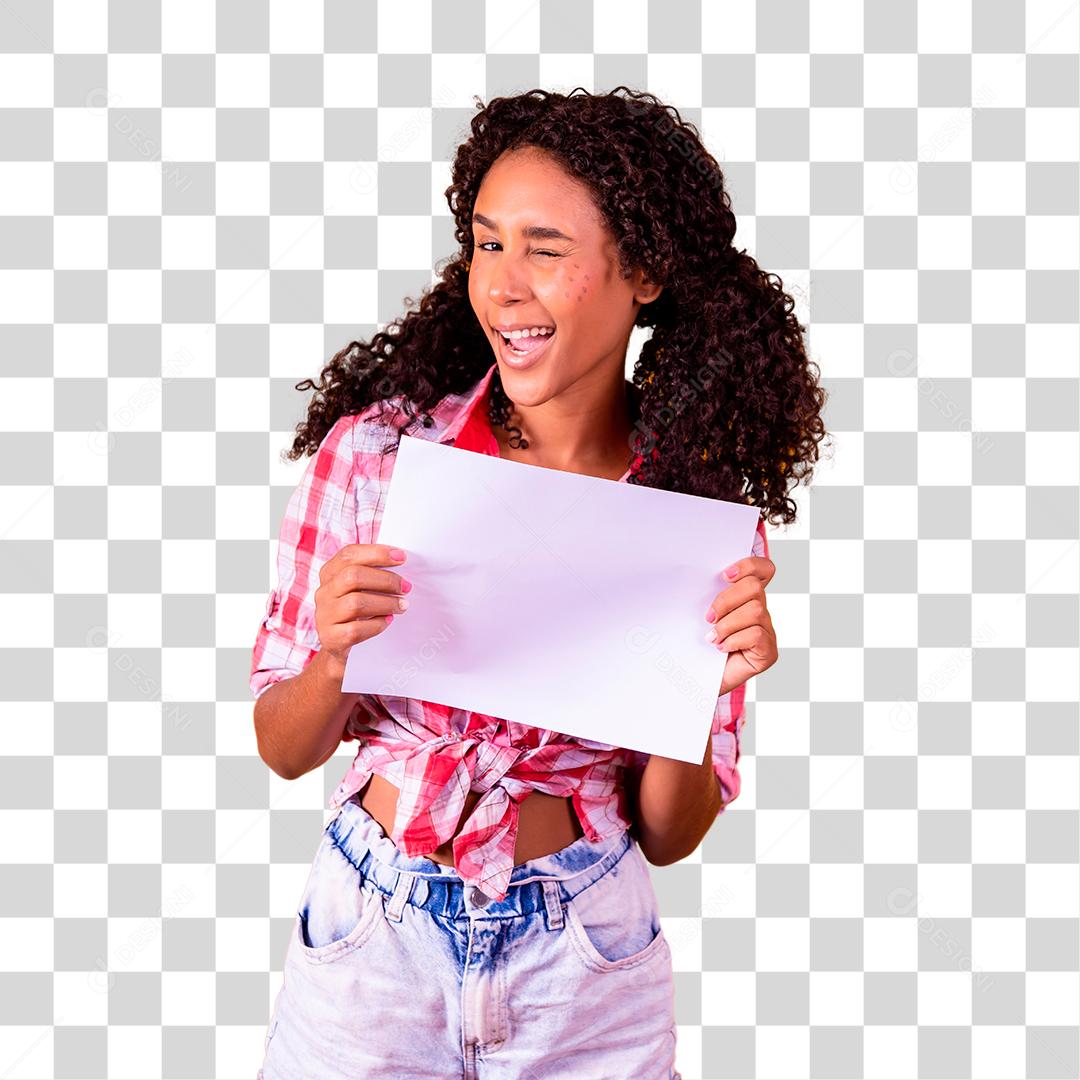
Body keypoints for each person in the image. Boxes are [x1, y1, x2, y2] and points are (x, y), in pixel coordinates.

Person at [251, 86, 827, 1080]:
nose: (502, 286)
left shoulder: (691, 515)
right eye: (487, 243)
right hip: (372, 943)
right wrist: (334, 656)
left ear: (644, 273)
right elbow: (282, 747)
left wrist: (704, 688)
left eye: (545, 249)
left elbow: (670, 834)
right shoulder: (381, 455)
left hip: (584, 952)